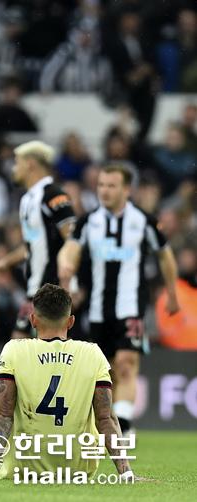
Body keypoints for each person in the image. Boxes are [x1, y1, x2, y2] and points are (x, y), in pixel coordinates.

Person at [0, 140, 75, 441]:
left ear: (30, 164)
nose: (13, 168)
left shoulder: (54, 195)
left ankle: (15, 424)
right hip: (34, 291)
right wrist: (4, 262)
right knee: (18, 356)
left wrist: (71, 283)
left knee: (32, 357)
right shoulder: (28, 199)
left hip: (52, 292)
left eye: (17, 162)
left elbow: (73, 238)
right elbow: (33, 246)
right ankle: (7, 423)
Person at [58, 164, 180, 434]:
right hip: (98, 309)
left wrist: (172, 293)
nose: (104, 191)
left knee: (127, 363)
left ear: (126, 190)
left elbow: (165, 255)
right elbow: (70, 249)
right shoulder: (88, 221)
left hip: (131, 305)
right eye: (101, 185)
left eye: (111, 186)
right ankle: (113, 420)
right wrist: (66, 267)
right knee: (107, 371)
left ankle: (123, 426)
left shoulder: (143, 221)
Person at [0, 284, 135, 482]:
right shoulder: (93, 353)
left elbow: (2, 414)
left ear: (33, 320)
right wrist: (126, 473)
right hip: (77, 471)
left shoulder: (14, 350)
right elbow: (106, 418)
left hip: (24, 470)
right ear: (71, 321)